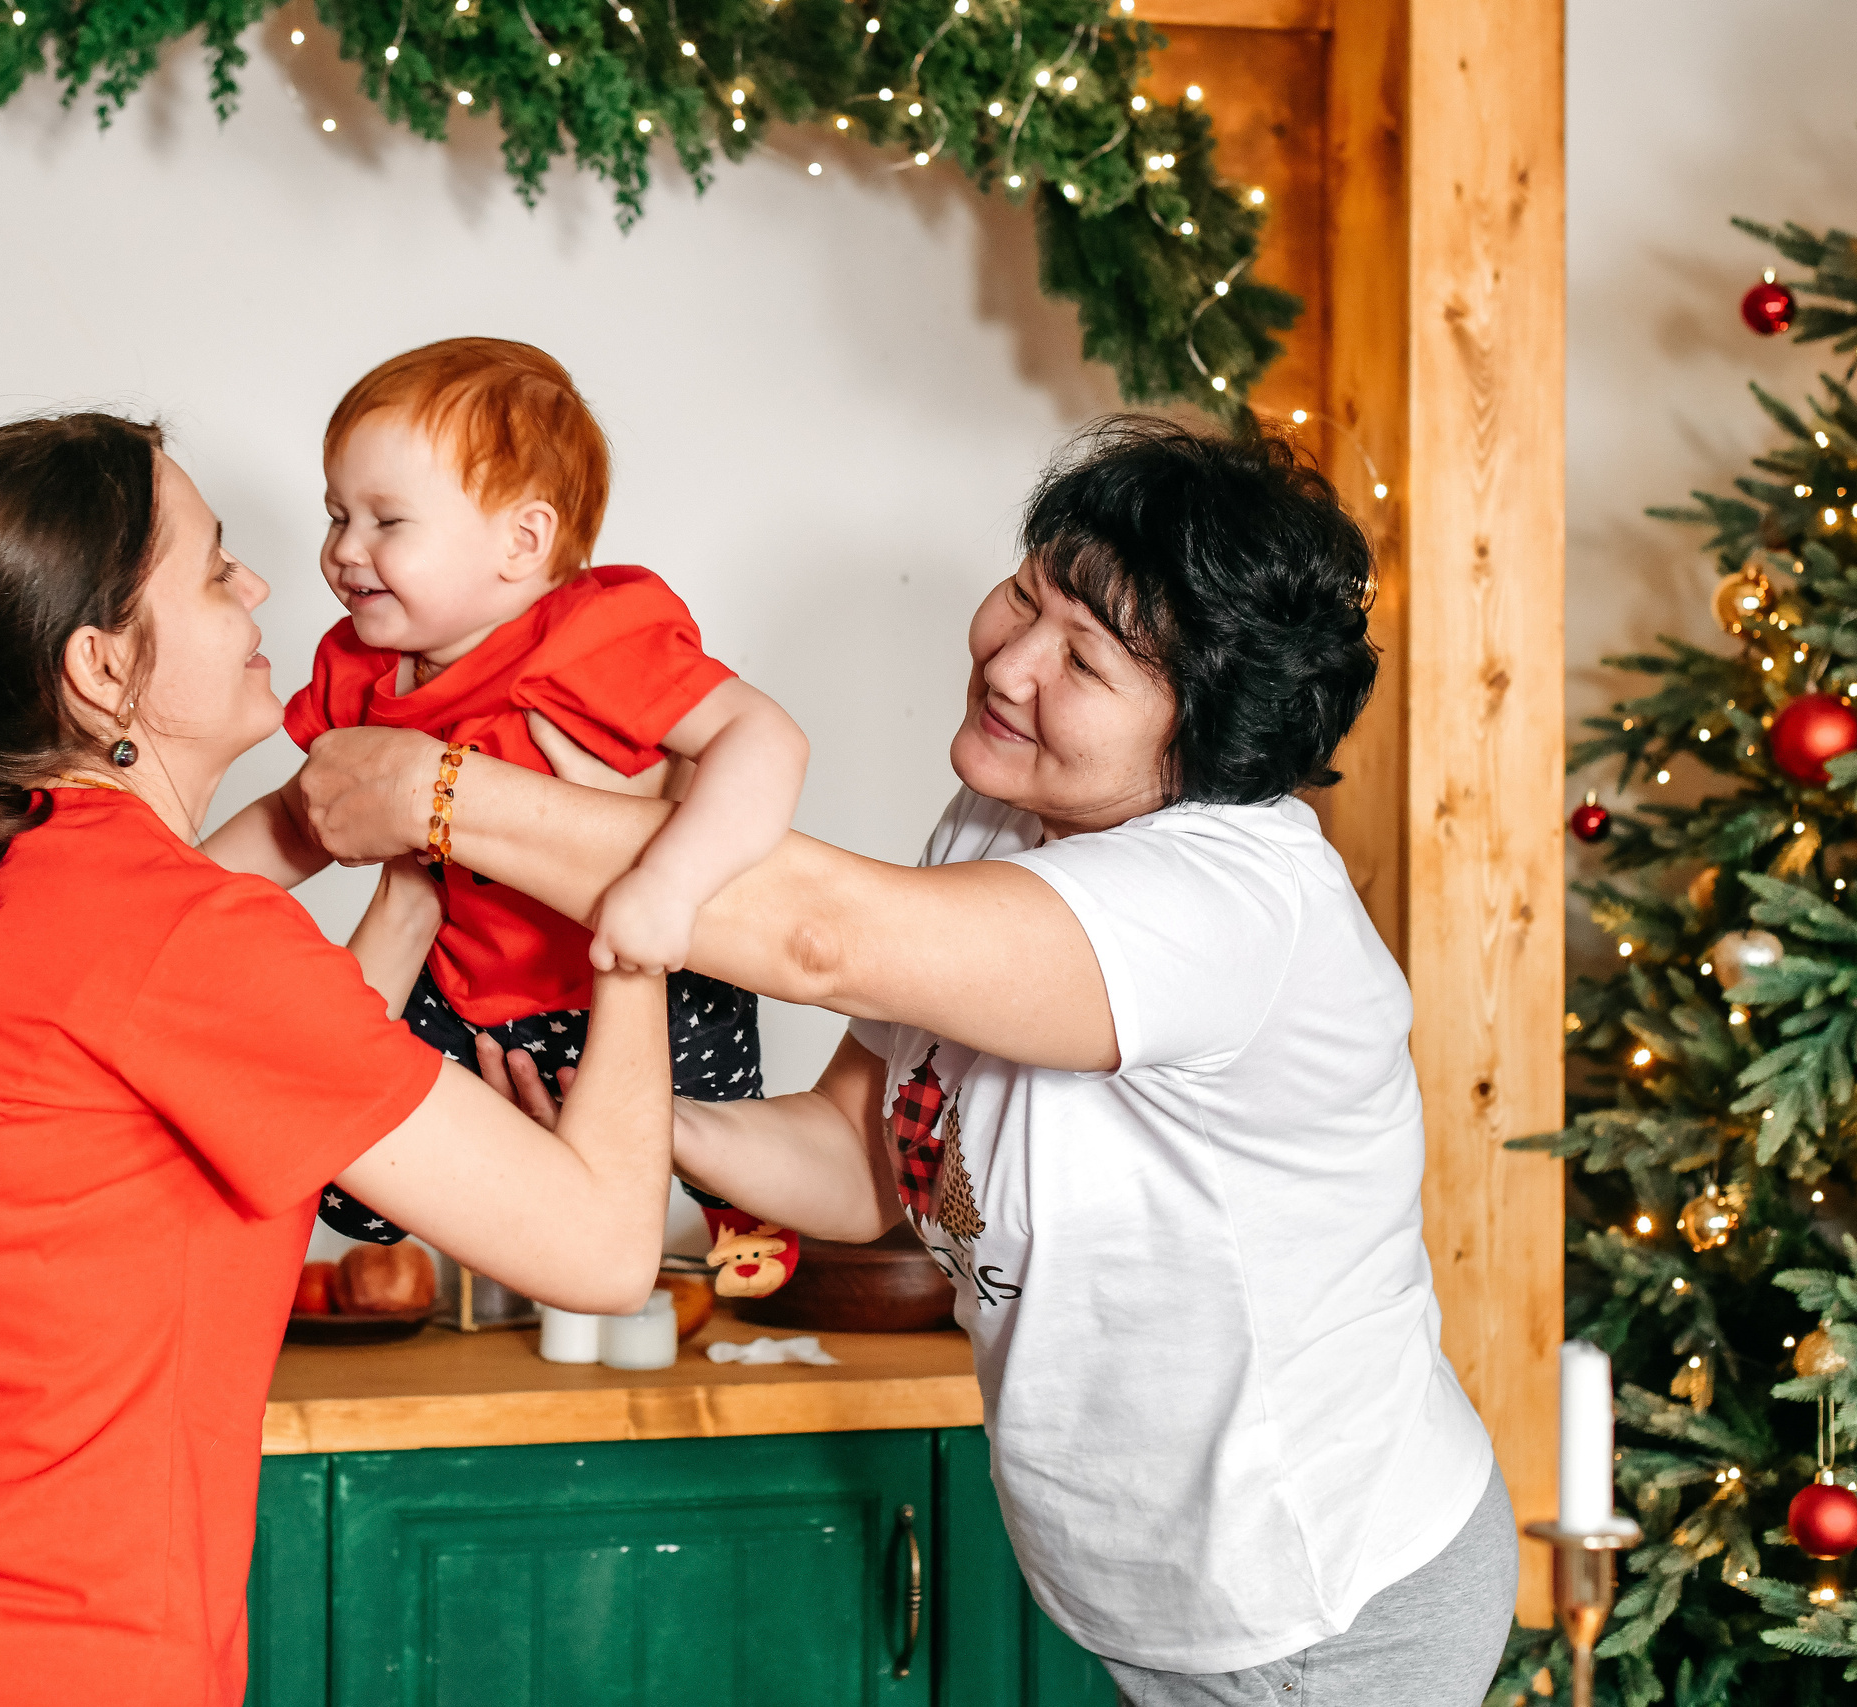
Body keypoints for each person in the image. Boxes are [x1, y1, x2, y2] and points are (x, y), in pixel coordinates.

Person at [289, 418, 1517, 1705]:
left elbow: (822, 936)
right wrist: (648, 1129)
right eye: (1027, 597)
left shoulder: (1229, 902)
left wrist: (446, 794)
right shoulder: (998, 820)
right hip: (1169, 1604)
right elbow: (862, 1160)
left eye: (1083, 660)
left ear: (1199, 739)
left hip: (1326, 1609)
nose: (1010, 661)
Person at [0, 412, 674, 1707]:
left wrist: (405, 863)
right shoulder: (160, 929)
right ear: (99, 668)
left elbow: (231, 1067)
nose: (258, 585)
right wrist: (640, 901)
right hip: (51, 1672)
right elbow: (603, 1250)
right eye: (213, 565)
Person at [199, 337, 814, 1295]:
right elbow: (297, 819)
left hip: (622, 959)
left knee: (707, 1096)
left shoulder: (589, 642)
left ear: (523, 542)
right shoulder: (363, 670)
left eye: (386, 520)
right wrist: (176, 891)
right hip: (469, 984)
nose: (343, 551)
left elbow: (765, 737)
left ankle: (741, 1201)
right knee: (350, 1174)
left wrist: (670, 881)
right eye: (336, 514)